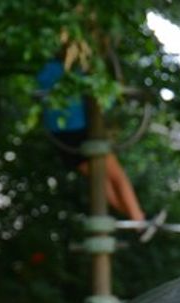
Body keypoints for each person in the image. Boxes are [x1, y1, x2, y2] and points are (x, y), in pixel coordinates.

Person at [36, 56, 148, 225]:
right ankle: (139, 220)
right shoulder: (80, 70)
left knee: (99, 179)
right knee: (117, 175)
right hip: (79, 129)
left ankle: (139, 221)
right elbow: (104, 100)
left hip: (59, 135)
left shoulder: (46, 70)